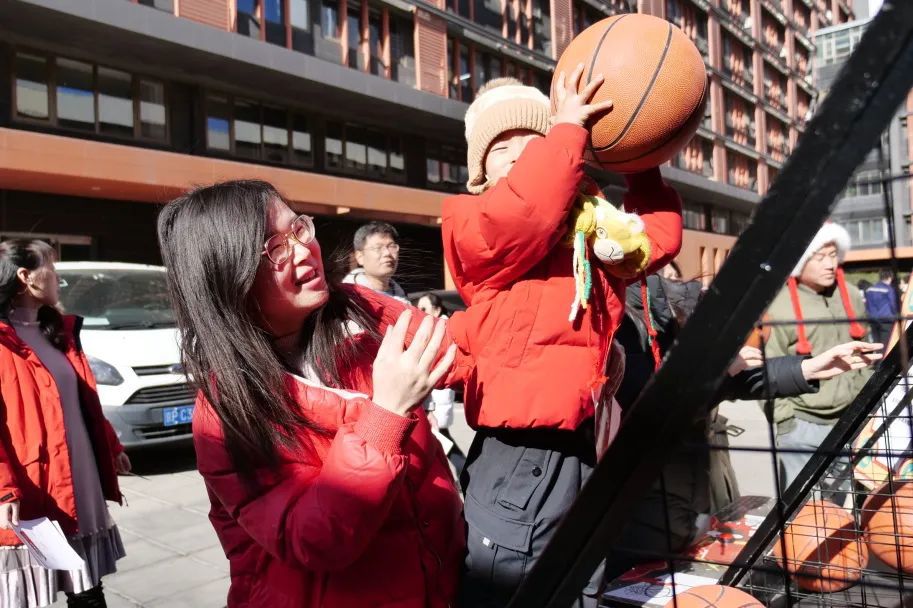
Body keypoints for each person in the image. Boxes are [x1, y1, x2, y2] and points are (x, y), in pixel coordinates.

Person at [157, 180, 469, 608]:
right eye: (274, 248)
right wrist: (387, 413)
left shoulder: (360, 309)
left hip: (438, 582)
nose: (303, 251)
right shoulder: (227, 411)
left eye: (299, 229)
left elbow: (463, 353)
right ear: (227, 276)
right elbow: (313, 538)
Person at [442, 67, 683, 607]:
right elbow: (526, 211)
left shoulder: (588, 221)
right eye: (501, 146)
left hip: (583, 439)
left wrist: (643, 168)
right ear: (479, 172)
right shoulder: (473, 220)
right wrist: (566, 132)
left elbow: (652, 244)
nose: (520, 153)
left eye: (532, 137)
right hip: (520, 450)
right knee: (508, 588)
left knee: (578, 580)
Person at [604, 274, 881, 580]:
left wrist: (809, 367)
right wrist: (720, 370)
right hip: (640, 498)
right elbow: (648, 401)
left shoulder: (672, 307)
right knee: (633, 579)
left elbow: (736, 380)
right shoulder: (619, 316)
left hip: (689, 487)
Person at [0, 239, 131, 608]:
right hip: (30, 485)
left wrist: (112, 446)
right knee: (23, 597)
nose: (59, 278)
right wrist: (3, 490)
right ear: (25, 276)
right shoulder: (3, 342)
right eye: (52, 268)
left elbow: (81, 402)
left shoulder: (59, 332)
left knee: (87, 589)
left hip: (78, 477)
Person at [764, 222, 873, 498]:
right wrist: (785, 422)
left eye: (833, 255)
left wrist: (865, 401)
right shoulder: (779, 305)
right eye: (820, 256)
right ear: (801, 260)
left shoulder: (850, 295)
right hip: (802, 423)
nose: (829, 264)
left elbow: (866, 349)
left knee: (841, 505)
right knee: (804, 508)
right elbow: (767, 368)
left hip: (851, 418)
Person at [415, 292, 467, 473]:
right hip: (435, 396)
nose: (419, 311)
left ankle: (462, 472)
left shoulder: (443, 331)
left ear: (436, 310)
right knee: (440, 441)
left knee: (439, 442)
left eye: (424, 308)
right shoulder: (437, 328)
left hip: (437, 395)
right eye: (418, 307)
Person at [343, 221, 408, 303]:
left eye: (391, 246)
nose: (387, 253)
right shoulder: (348, 298)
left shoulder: (402, 298)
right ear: (360, 257)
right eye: (378, 248)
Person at [865, 269, 899, 345]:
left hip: (872, 319)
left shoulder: (870, 289)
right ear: (890, 277)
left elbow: (867, 305)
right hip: (886, 320)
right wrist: (897, 315)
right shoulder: (889, 290)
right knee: (885, 343)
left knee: (875, 343)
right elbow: (893, 305)